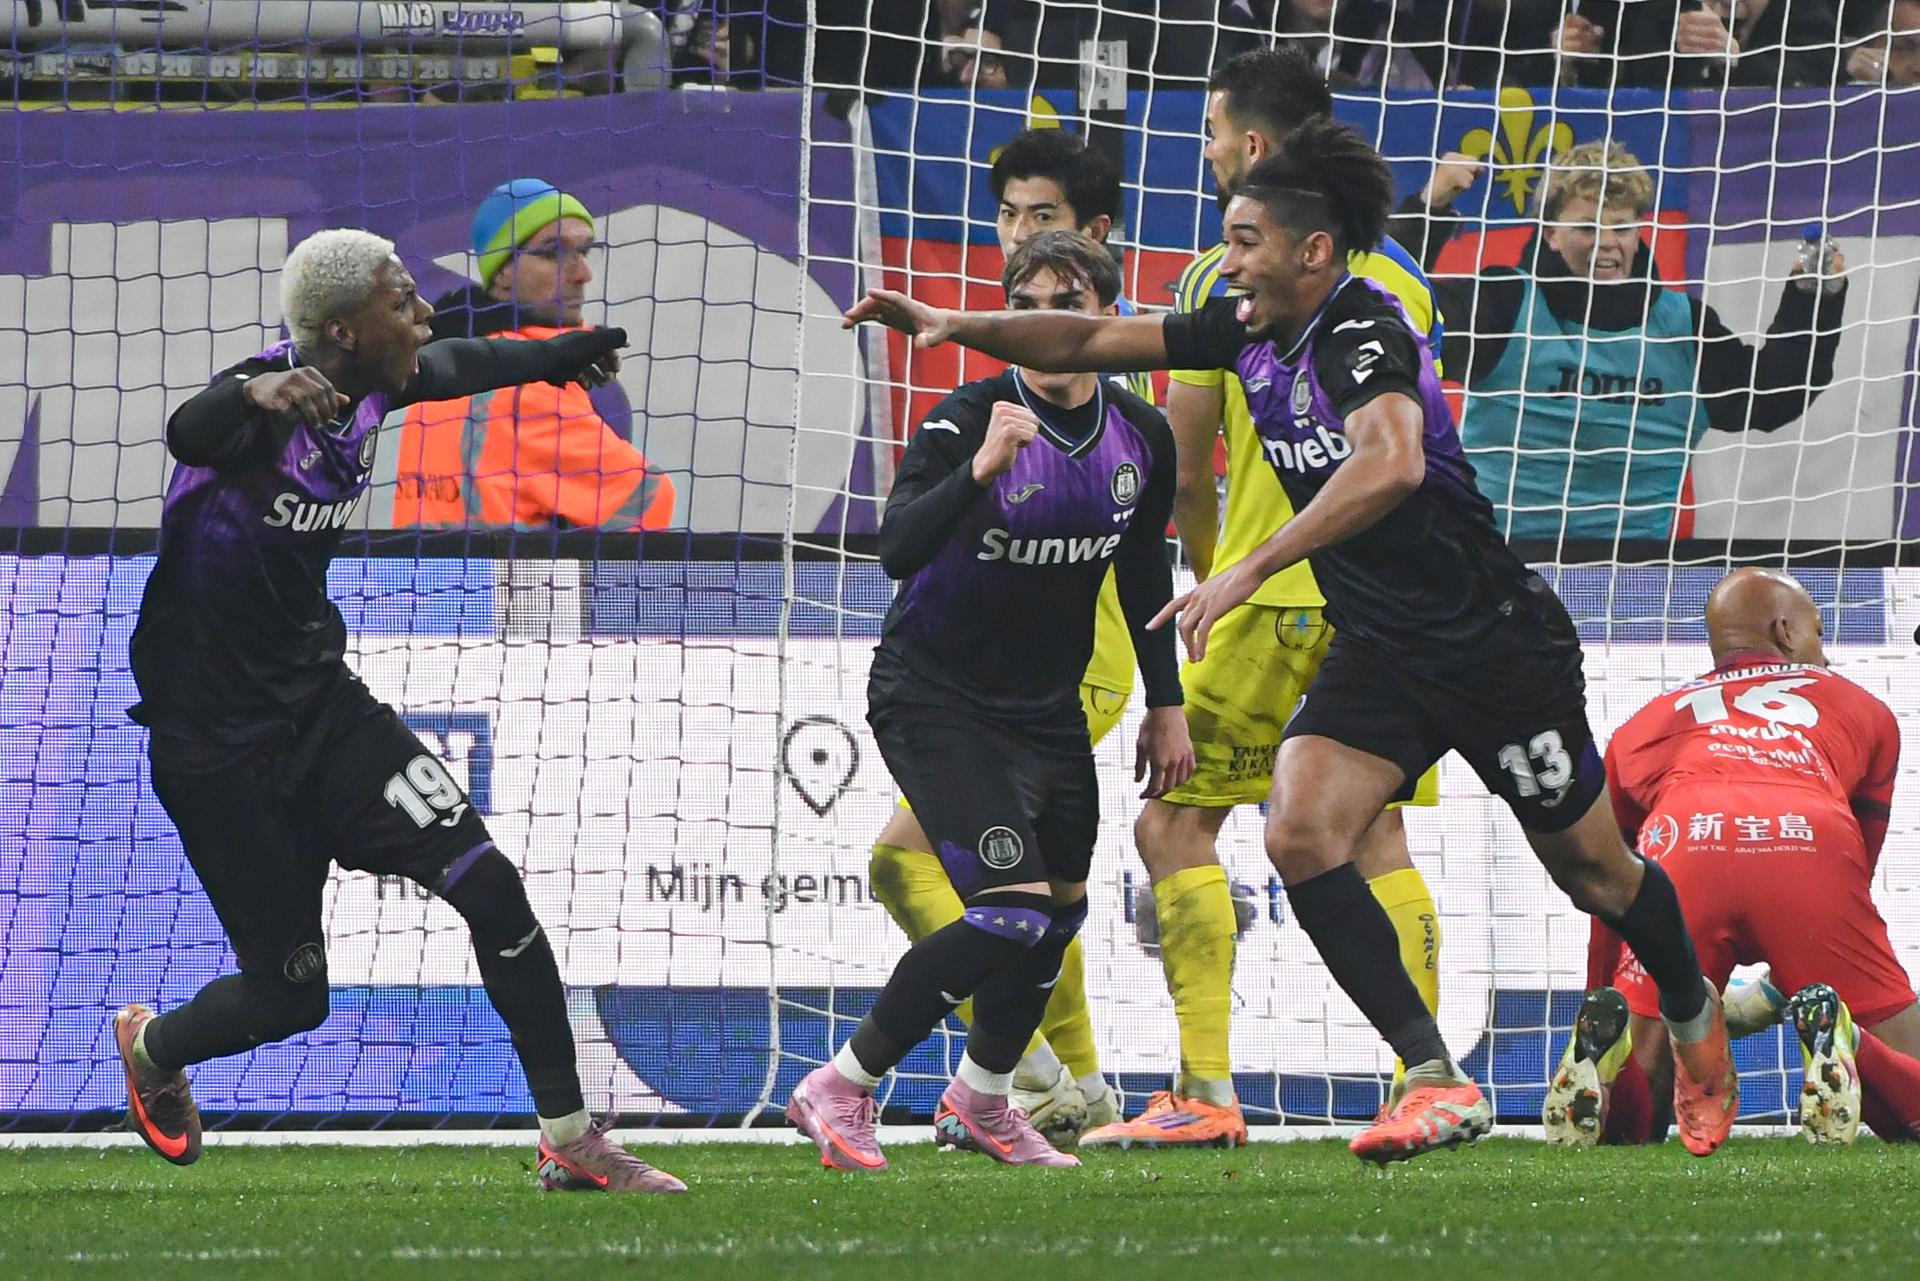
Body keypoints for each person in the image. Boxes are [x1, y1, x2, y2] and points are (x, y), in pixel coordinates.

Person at [843, 120, 1739, 1166]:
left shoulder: (1366, 330)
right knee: (1302, 832)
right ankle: (1435, 1078)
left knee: (1596, 875)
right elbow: (1083, 344)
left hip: (1493, 646)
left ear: (1312, 250)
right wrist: (953, 322)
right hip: (1381, 649)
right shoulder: (1242, 327)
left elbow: (1394, 462)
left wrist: (1251, 564)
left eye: (1244, 240)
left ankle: (1693, 1016)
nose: (1227, 262)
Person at [115, 228, 684, 1194]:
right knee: (289, 997)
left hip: (324, 712)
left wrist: (557, 353)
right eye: (402, 301)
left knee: (491, 889)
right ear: (343, 328)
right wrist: (256, 390)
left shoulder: (375, 387)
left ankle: (570, 1135)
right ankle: (153, 1046)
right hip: (213, 745)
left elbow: (463, 362)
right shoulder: (258, 405)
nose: (423, 314)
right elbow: (189, 429)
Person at [1081, 43, 1447, 1153]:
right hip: (1386, 603)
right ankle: (1423, 1082)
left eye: (1208, 135)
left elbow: (1184, 462)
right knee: (1373, 833)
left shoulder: (1218, 278)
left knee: (1173, 823)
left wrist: (1214, 580)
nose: (1204, 155)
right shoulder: (1402, 277)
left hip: (1268, 592)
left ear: (1249, 143)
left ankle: (1204, 1088)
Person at [789, 229, 1194, 1172]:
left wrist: (1166, 701)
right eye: (1028, 304)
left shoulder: (1143, 433)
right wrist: (978, 473)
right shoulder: (965, 418)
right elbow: (896, 550)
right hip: (935, 694)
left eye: (1069, 304)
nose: (1046, 322)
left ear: (1109, 317)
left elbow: (1142, 568)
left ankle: (981, 1098)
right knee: (1009, 910)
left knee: (1057, 915)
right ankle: (842, 1083)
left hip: (1045, 707)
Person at [866, 128, 1142, 1145]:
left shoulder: (1115, 398)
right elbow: (906, 540)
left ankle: (1040, 1074)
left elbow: (1150, 533)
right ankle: (1053, 1077)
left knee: (995, 887)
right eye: (1009, 218)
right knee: (1024, 895)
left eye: (1045, 218)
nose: (1020, 237)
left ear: (1096, 240)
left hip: (1070, 669)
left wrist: (1169, 689)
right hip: (978, 670)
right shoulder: (986, 396)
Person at [1546, 568, 1920, 1147]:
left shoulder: (1645, 722)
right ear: (1786, 631)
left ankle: (1608, 1059)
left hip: (1682, 842)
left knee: (1635, 1109)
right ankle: (1850, 1040)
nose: (1824, 652)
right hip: (1806, 842)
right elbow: (1858, 864)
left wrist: (1608, 993)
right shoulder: (1863, 707)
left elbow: (1610, 887)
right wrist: (1798, 969)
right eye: (1818, 633)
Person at [1391, 140, 1847, 543]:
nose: (1607, 242)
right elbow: (1391, 309)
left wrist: (1814, 299)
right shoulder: (1504, 304)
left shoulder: (1685, 326)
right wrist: (1430, 205)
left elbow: (1773, 395)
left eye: (1622, 227)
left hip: (1631, 577)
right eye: (1588, 228)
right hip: (1494, 561)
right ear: (1551, 234)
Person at [392, 178, 676, 532]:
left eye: (585, 252)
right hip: (511, 570)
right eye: (554, 253)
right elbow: (649, 499)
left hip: (411, 567)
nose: (583, 274)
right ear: (504, 270)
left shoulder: (435, 367)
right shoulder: (529, 384)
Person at [1556, 0, 1850, 89]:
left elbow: (1815, 87)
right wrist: (1578, 62)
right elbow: (1635, 90)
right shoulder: (1662, 15)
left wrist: (1734, 57)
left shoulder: (1808, 14)